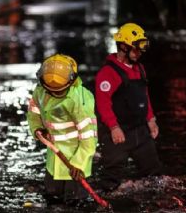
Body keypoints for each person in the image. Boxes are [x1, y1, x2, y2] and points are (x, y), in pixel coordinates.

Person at [95, 23, 162, 192]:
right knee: (111, 181)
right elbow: (103, 104)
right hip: (118, 134)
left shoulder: (140, 68)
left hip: (140, 131)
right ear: (123, 46)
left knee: (155, 176)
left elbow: (144, 96)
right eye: (136, 48)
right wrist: (113, 127)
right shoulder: (108, 73)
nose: (139, 52)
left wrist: (151, 119)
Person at [26, 54, 98, 205]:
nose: (55, 94)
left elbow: (89, 137)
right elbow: (34, 111)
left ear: (71, 82)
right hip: (54, 158)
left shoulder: (78, 101)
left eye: (59, 91)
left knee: (75, 203)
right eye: (51, 90)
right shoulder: (40, 90)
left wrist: (78, 165)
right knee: (52, 198)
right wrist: (37, 128)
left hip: (76, 162)